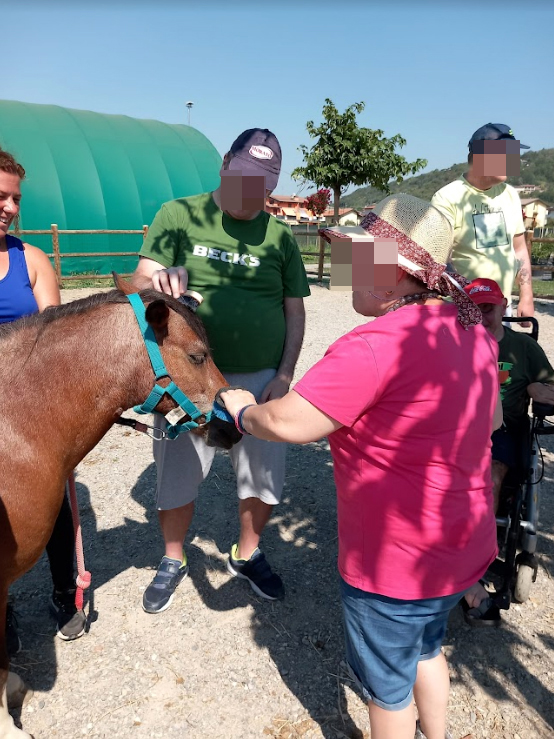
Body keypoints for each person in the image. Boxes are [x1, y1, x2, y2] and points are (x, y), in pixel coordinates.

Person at [218, 194, 501, 739]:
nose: (347, 269)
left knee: (386, 693)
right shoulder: (469, 329)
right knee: (428, 647)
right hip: (461, 546)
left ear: (395, 272)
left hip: (394, 564)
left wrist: (244, 410)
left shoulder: (373, 345)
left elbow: (290, 423)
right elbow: (488, 425)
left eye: (359, 256)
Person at [132, 128, 310, 613]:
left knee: (262, 477)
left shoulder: (280, 236)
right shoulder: (179, 214)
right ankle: (173, 559)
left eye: (264, 184)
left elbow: (295, 312)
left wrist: (285, 373)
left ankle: (247, 555)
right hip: (188, 380)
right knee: (177, 474)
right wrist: (160, 282)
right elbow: (139, 284)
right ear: (225, 165)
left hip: (259, 380)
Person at [0, 148, 87, 645]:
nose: (9, 206)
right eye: (0, 195)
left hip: (27, 412)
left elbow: (54, 344)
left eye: (15, 198)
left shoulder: (30, 260)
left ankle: (63, 590)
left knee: (51, 505)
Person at [465, 277, 554, 511]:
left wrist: (536, 387)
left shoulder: (523, 347)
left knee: (489, 477)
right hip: (456, 426)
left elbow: (551, 387)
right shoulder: (450, 343)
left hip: (501, 429)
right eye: (473, 310)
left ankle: (483, 543)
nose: (480, 318)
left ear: (504, 306)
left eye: (487, 309)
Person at [432, 123, 533, 321]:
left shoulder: (510, 194)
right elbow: (439, 259)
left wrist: (526, 295)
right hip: (463, 309)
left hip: (503, 306)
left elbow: (519, 249)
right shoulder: (447, 198)